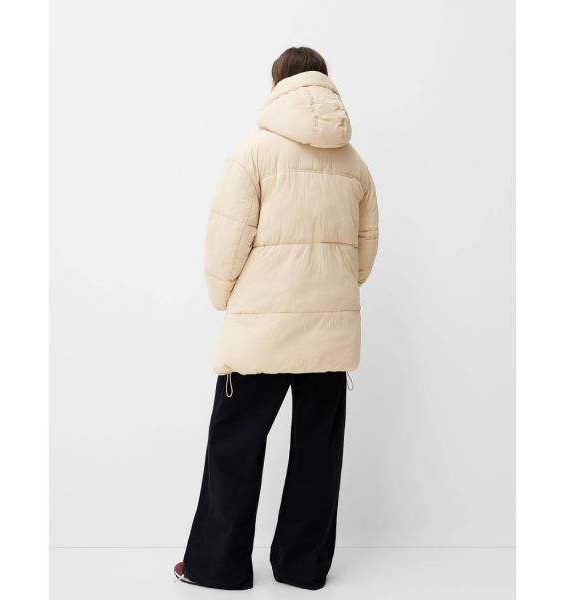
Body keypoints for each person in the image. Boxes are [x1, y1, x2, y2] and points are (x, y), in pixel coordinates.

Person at [174, 46, 378, 591]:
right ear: (325, 83)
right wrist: (330, 292)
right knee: (318, 453)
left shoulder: (253, 153)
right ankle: (302, 567)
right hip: (330, 333)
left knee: (234, 446)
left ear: (277, 83)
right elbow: (364, 256)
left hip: (261, 328)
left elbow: (225, 242)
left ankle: (217, 566)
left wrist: (224, 298)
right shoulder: (355, 163)